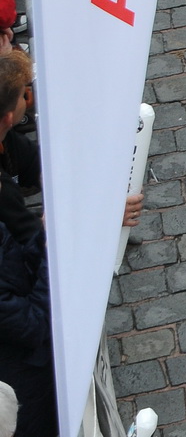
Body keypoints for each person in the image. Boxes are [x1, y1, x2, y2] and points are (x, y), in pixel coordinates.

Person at [0, 46, 142, 437]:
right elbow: (33, 320)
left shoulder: (8, 142)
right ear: (11, 114)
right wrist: (57, 237)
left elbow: (43, 173)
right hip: (22, 382)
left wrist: (92, 207)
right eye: (25, 93)